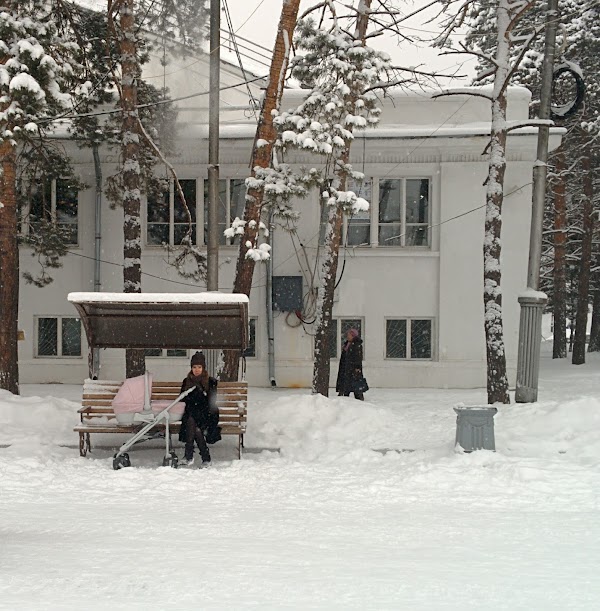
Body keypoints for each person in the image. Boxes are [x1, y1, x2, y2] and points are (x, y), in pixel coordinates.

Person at [178, 351, 221, 467]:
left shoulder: (210, 382)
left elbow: (211, 401)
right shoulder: (187, 382)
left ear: (203, 368)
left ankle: (188, 456)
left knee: (193, 423)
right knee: (195, 427)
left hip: (206, 414)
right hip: (191, 413)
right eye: (194, 367)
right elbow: (183, 399)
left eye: (199, 367)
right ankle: (206, 458)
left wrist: (200, 394)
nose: (197, 370)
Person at [335, 328, 365, 401]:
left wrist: (357, 367)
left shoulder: (356, 345)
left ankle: (359, 398)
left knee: (355, 384)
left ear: (353, 336)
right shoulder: (347, 344)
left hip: (353, 368)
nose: (347, 336)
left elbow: (358, 357)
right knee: (346, 384)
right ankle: (344, 397)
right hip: (346, 367)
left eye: (349, 335)